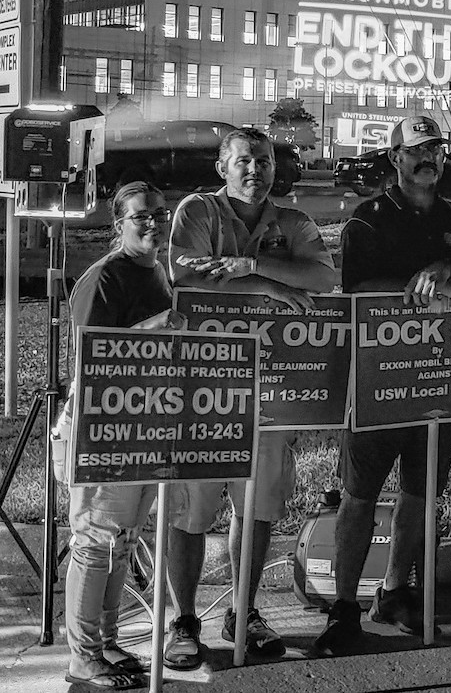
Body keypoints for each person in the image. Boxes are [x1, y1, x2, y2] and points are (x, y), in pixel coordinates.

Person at [313, 116, 451, 656]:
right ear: (394, 157)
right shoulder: (368, 219)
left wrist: (444, 269)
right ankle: (345, 606)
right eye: (416, 150)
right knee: (359, 495)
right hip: (376, 379)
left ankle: (395, 590)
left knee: (423, 490)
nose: (428, 159)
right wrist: (425, 286)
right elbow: (358, 285)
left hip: (439, 377)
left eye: (436, 149)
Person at [164, 127, 336, 668]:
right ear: (222, 167)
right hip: (201, 390)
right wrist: (270, 289)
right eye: (243, 161)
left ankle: (245, 609)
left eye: (262, 161)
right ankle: (184, 620)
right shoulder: (198, 212)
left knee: (256, 506)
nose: (254, 171)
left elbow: (324, 279)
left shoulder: (292, 221)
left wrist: (253, 267)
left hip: (271, 392)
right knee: (191, 510)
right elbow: (184, 277)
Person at [54, 183, 180, 689]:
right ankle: (83, 656)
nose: (153, 224)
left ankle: (106, 643)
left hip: (142, 425)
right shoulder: (104, 277)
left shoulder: (158, 274)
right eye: (141, 217)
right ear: (119, 226)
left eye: (160, 215)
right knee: (94, 543)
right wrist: (162, 328)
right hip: (98, 428)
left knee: (121, 544)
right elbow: (89, 359)